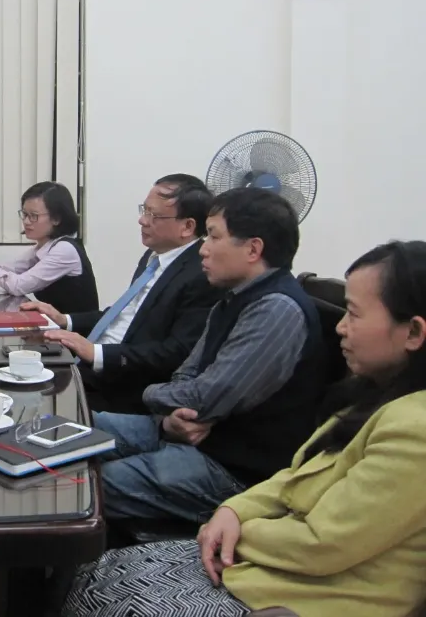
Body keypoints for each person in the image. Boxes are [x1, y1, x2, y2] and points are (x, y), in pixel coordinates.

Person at [63, 240, 426, 617]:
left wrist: (234, 529)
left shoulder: (414, 430)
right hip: (269, 549)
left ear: (414, 332)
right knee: (96, 573)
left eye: (354, 314)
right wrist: (233, 512)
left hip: (306, 593)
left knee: (91, 509)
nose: (340, 327)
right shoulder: (367, 394)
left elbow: (324, 543)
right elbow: (297, 476)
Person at [91, 188, 324, 524]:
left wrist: (152, 396)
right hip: (185, 434)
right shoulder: (231, 298)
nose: (202, 248)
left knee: (90, 485)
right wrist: (169, 416)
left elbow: (203, 398)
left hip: (232, 469)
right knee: (81, 427)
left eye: (214, 236)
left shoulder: (275, 309)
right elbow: (186, 376)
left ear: (253, 249)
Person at [23, 174, 219, 413]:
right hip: (94, 366)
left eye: (153, 215)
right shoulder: (153, 257)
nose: (142, 220)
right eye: (144, 210)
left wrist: (96, 353)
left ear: (187, 227)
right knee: (15, 372)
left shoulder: (201, 274)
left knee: (32, 402)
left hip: (124, 385)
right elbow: (123, 314)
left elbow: (176, 353)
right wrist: (64, 319)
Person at [0, 181, 98, 313]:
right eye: (24, 214)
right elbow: (7, 270)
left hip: (75, 333)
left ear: (56, 218)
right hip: (52, 327)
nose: (26, 221)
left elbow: (18, 286)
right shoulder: (43, 247)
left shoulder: (65, 250)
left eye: (33, 216)